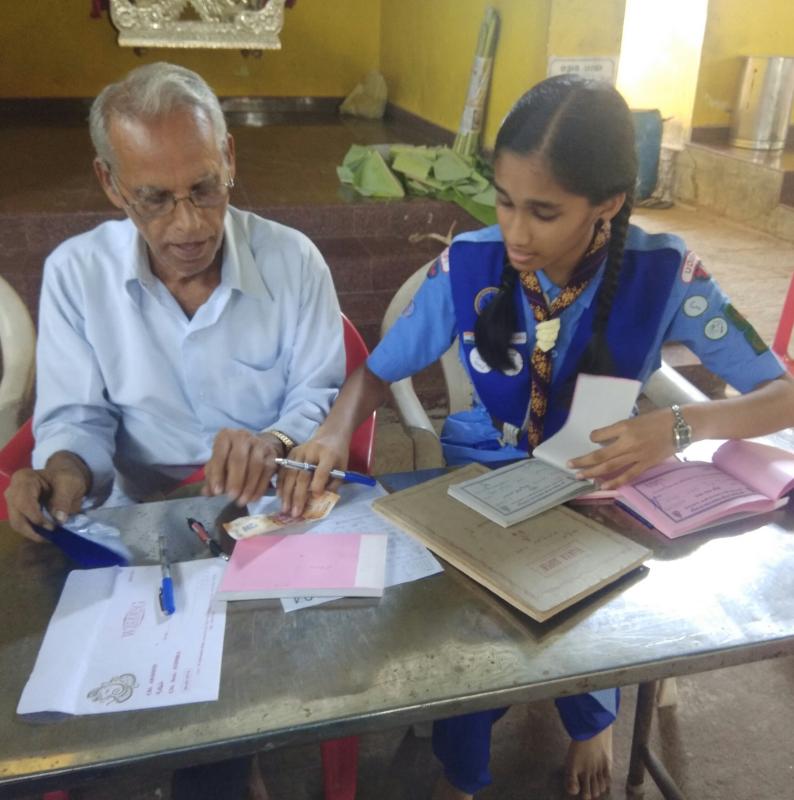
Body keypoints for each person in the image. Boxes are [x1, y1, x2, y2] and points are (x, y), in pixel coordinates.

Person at [277, 74, 794, 799]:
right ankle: (465, 766)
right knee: (468, 638)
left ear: (608, 202)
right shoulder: (471, 267)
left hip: (594, 485)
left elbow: (783, 394)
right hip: (476, 481)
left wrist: (680, 425)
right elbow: (375, 371)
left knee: (590, 615)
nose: (516, 233)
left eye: (544, 212)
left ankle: (592, 716)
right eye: (505, 202)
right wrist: (334, 433)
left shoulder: (664, 273)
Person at [3, 62, 345, 800]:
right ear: (110, 183)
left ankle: (222, 762)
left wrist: (275, 445)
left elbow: (319, 396)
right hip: (133, 528)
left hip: (263, 523)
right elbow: (77, 419)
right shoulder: (76, 275)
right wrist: (63, 471)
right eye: (154, 200)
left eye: (204, 190)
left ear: (229, 159)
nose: (187, 225)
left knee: (218, 726)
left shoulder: (294, 264)